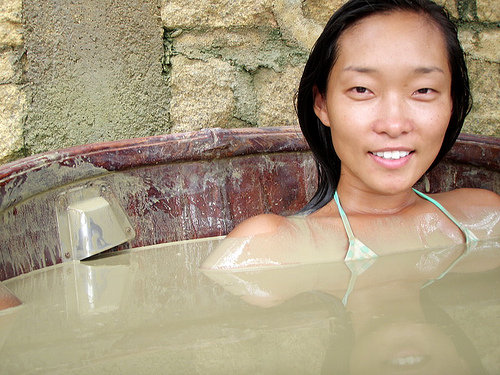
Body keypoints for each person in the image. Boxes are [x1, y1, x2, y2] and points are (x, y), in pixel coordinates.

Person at [201, 0, 500, 271]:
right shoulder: (264, 249)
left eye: (423, 90)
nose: (394, 125)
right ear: (322, 103)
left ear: (452, 102)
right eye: (362, 89)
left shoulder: (486, 220)